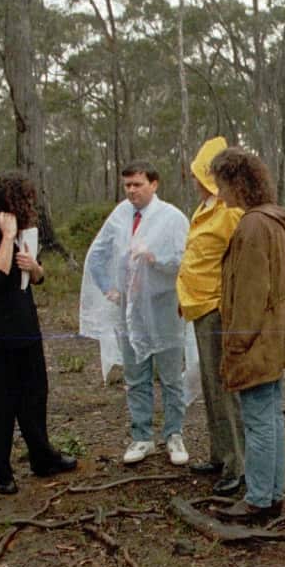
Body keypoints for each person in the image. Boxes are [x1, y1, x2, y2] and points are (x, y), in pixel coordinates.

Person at [0, 171, 77, 494]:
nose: (30, 204)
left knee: (34, 395)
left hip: (25, 327)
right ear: (7, 200)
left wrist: (34, 267)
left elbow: (38, 276)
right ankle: (0, 469)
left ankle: (42, 457)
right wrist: (6, 236)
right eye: (24, 199)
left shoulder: (26, 231)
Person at [79, 161, 193, 466]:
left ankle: (174, 435)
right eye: (127, 185)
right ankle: (142, 437)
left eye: (138, 184)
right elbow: (98, 254)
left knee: (170, 376)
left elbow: (185, 261)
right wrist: (108, 288)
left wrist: (155, 258)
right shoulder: (119, 215)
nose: (131, 190)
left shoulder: (172, 218)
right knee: (136, 376)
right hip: (128, 312)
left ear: (154, 185)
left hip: (164, 307)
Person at [210, 147, 285, 523]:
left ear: (238, 183)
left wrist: (235, 342)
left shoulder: (253, 225)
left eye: (222, 185)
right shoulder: (270, 221)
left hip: (256, 340)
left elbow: (249, 293)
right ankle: (270, 494)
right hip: (270, 337)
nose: (219, 194)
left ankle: (259, 501)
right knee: (270, 417)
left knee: (259, 421)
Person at [176, 137, 245, 497]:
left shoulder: (231, 211)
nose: (194, 181)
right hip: (197, 306)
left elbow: (240, 262)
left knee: (225, 388)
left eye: (199, 175)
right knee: (208, 386)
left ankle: (238, 464)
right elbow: (196, 256)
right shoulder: (204, 207)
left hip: (218, 309)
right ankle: (220, 455)